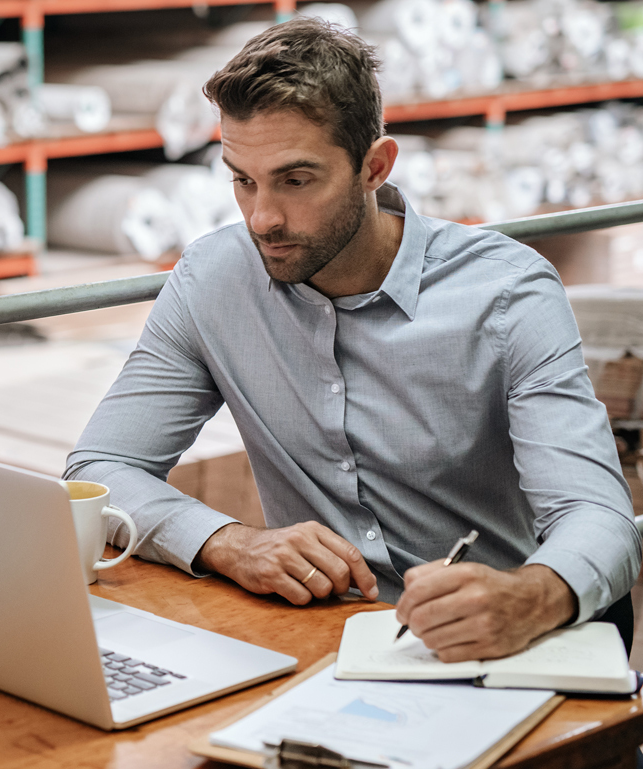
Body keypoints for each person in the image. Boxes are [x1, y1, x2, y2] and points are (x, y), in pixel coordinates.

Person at [65, 17, 641, 663]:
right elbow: (97, 469)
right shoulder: (212, 278)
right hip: (313, 638)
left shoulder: (506, 293)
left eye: (295, 179)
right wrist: (228, 540)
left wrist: (531, 595)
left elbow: (598, 516)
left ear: (374, 166)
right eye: (241, 179)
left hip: (493, 644)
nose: (261, 218)